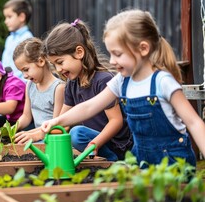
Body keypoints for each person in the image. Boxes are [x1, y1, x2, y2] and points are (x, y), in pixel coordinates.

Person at [42, 9, 205, 167]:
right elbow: (88, 107)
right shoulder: (121, 82)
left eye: (117, 54)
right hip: (141, 162)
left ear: (143, 48)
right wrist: (56, 121)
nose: (111, 61)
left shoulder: (162, 82)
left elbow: (194, 122)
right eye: (110, 54)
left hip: (173, 163)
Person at [42, 19, 133, 161]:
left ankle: (114, 161)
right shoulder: (72, 83)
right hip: (95, 142)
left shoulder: (103, 80)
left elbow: (116, 121)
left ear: (79, 52)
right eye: (54, 65)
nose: (58, 69)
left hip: (115, 145)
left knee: (77, 134)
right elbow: (62, 123)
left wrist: (96, 143)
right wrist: (38, 135)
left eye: (60, 62)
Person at [13, 37, 65, 144]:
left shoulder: (58, 88)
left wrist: (32, 135)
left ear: (41, 61)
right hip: (36, 136)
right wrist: (11, 128)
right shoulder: (30, 85)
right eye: (21, 72)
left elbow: (57, 127)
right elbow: (26, 116)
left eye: (26, 70)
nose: (24, 76)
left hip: (51, 138)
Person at [2, 0, 34, 81]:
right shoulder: (9, 39)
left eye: (9, 17)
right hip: (7, 83)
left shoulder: (27, 38)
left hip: (19, 85)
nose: (6, 21)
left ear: (21, 17)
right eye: (5, 17)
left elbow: (27, 67)